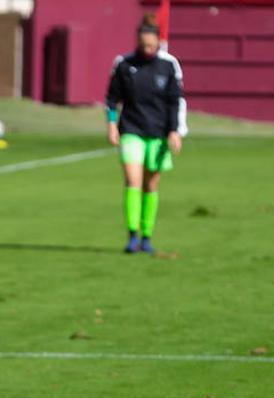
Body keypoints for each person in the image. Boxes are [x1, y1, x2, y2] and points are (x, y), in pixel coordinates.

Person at [104, 15, 186, 255]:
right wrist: (111, 124)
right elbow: (111, 98)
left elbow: (174, 101)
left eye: (152, 46)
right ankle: (132, 236)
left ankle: (146, 236)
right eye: (143, 46)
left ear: (158, 43)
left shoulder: (168, 66)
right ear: (137, 43)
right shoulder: (124, 65)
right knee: (133, 180)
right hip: (131, 130)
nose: (148, 50)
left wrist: (174, 131)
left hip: (158, 133)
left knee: (151, 184)